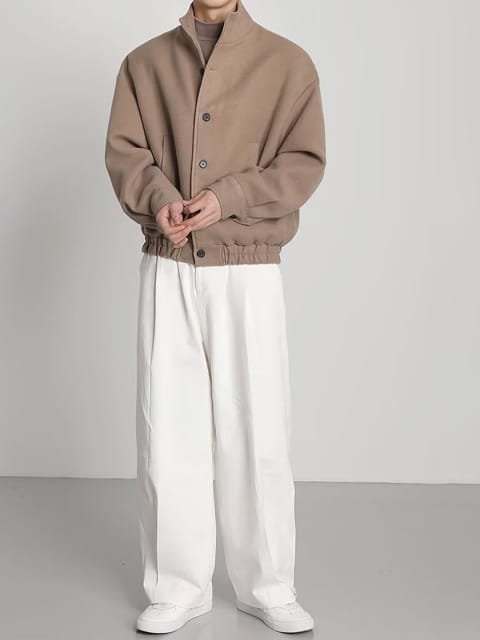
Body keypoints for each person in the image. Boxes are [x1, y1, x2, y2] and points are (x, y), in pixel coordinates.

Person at [105, 0, 326, 633]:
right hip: (169, 262)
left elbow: (303, 163)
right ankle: (178, 586)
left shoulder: (287, 63)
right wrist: (161, 201)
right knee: (167, 429)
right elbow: (127, 154)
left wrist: (227, 197)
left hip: (248, 270)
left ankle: (268, 585)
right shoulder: (144, 63)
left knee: (258, 428)